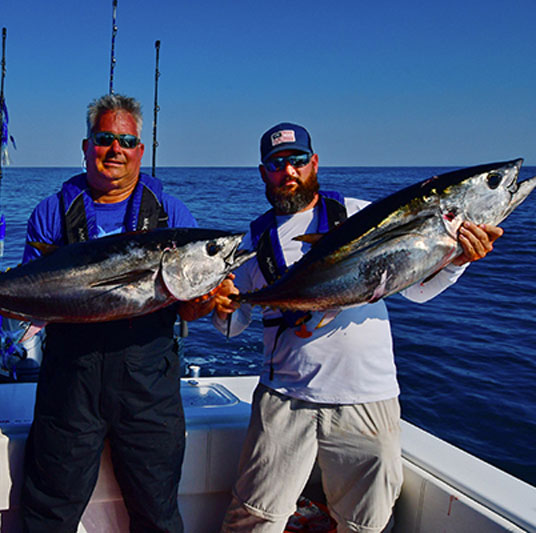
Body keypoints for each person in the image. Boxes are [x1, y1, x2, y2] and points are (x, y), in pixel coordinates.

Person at [0, 93, 224, 532]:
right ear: (86, 146)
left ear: (140, 150)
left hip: (149, 385)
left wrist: (209, 296)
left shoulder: (170, 214)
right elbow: (31, 300)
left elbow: (189, 309)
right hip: (70, 382)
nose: (115, 149)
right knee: (49, 515)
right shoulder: (52, 212)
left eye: (126, 141)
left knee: (157, 513)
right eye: (104, 138)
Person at [214, 122, 503, 533]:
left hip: (368, 397)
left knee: (365, 524)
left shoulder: (362, 214)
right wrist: (220, 304)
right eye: (277, 163)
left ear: (314, 162)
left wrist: (456, 262)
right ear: (263, 172)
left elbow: (417, 292)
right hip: (284, 399)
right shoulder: (252, 243)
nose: (288, 171)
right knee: (254, 519)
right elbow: (233, 326)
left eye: (297, 160)